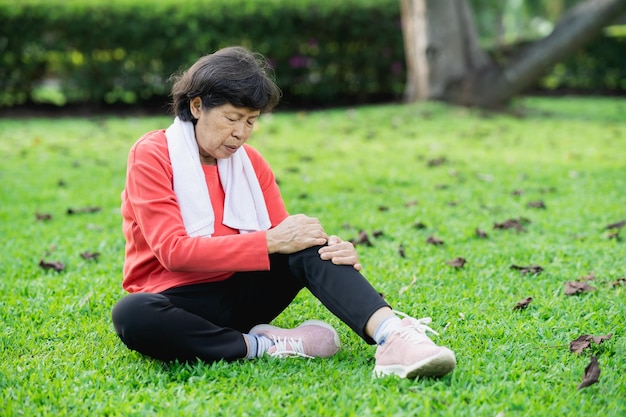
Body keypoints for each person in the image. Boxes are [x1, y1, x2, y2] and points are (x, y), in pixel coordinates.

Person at [111, 46, 456, 379]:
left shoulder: (251, 163)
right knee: (131, 314)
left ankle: (394, 337)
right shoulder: (152, 155)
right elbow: (173, 252)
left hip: (240, 293)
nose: (240, 134)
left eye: (251, 121)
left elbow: (288, 240)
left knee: (307, 243)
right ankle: (264, 345)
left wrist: (328, 249)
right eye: (232, 118)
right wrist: (274, 240)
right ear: (197, 106)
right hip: (176, 302)